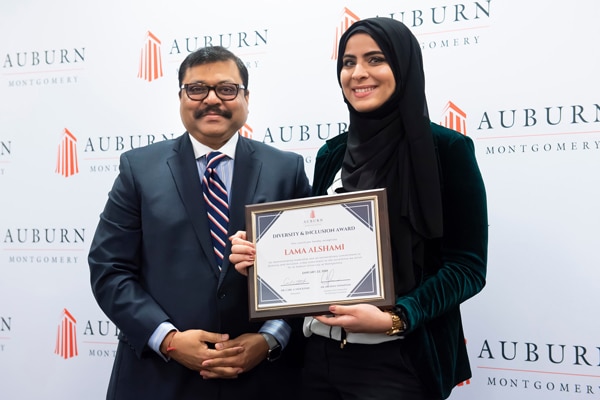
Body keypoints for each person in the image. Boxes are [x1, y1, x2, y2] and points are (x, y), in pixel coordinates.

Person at [229, 17, 488, 400]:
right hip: (317, 357)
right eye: (348, 62)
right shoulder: (331, 153)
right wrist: (260, 256)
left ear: (403, 66)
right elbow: (317, 245)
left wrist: (397, 318)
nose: (358, 73)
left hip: (399, 360)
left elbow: (467, 266)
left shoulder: (446, 150)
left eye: (375, 59)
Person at [88, 46, 311, 400]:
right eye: (197, 89)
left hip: (262, 379)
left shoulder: (287, 170)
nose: (211, 100)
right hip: (159, 378)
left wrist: (270, 338)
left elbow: (307, 273)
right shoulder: (139, 169)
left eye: (226, 89)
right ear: (180, 97)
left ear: (246, 98)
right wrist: (170, 340)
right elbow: (109, 268)